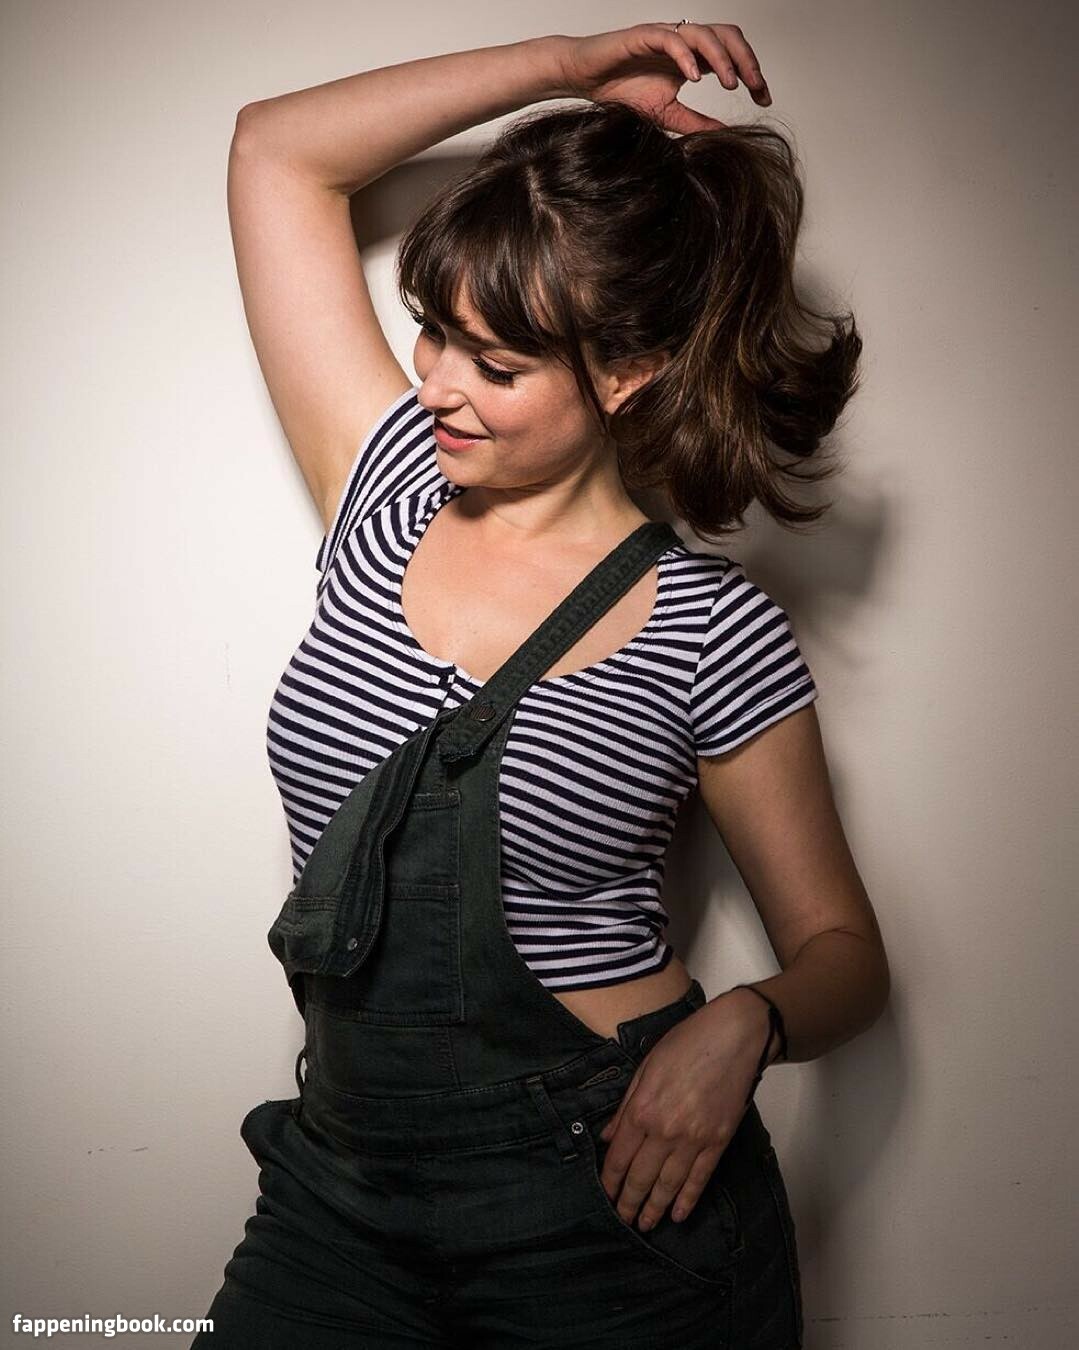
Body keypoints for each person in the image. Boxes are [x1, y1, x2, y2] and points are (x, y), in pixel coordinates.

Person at [197, 18, 890, 1349]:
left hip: (608, 1202)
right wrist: (571, 67)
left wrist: (745, 1023)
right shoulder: (385, 487)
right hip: (339, 1186)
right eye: (431, 334)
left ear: (626, 373)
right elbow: (275, 152)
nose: (437, 387)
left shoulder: (708, 629)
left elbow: (846, 959)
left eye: (496, 364)